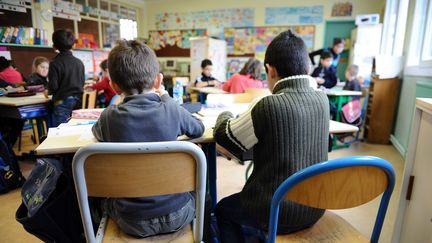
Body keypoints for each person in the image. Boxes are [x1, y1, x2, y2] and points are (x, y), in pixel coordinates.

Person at [213, 30, 329, 243]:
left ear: (270, 70)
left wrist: (224, 113)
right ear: (307, 68)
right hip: (315, 207)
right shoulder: (323, 100)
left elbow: (224, 136)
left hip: (276, 212)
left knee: (223, 209)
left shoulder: (267, 105)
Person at [92, 40, 205, 238]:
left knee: (100, 198)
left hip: (131, 221)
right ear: (158, 81)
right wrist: (167, 98)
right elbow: (199, 129)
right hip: (179, 214)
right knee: (203, 185)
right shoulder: (171, 109)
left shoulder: (109, 117)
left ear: (114, 85)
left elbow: (97, 134)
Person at [47, 29, 85, 126]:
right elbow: (82, 82)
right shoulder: (79, 62)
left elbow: (53, 87)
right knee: (77, 127)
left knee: (61, 129)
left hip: (62, 101)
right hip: (79, 100)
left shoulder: (55, 63)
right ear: (73, 45)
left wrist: (48, 91)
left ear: (54, 46)